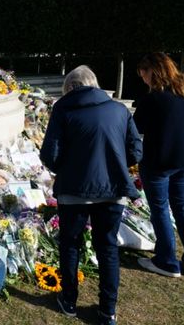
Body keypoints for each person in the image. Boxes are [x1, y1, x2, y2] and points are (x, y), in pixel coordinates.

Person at [40, 65, 142, 325]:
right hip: (113, 188)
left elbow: (50, 154)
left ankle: (69, 300)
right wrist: (117, 163)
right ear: (94, 84)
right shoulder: (119, 110)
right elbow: (135, 148)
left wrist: (66, 168)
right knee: (107, 247)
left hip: (74, 189)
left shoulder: (63, 108)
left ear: (71, 87)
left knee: (70, 244)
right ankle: (108, 311)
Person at [133, 52, 184, 278]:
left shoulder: (153, 98)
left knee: (160, 209)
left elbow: (136, 129)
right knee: (182, 205)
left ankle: (166, 260)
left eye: (143, 73)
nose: (142, 78)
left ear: (152, 71)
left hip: (159, 162)